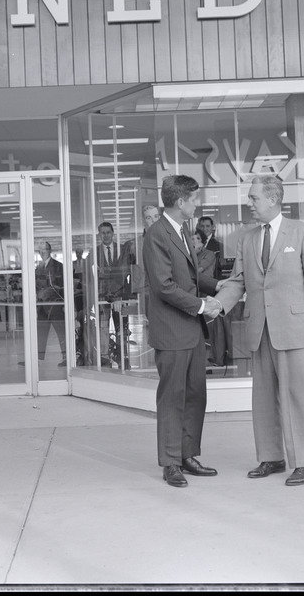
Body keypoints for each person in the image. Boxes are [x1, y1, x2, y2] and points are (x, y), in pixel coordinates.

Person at [216, 174, 304, 487]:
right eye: (250, 198)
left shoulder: (303, 233)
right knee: (263, 398)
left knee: (297, 397)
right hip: (259, 327)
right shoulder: (247, 238)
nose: (249, 203)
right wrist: (217, 305)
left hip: (294, 327)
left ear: (273, 199)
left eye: (254, 198)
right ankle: (271, 457)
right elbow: (238, 281)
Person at [143, 174, 223, 488]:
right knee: (173, 397)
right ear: (180, 202)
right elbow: (164, 286)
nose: (196, 204)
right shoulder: (156, 235)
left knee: (195, 396)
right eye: (193, 199)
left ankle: (188, 455)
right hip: (172, 331)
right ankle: (170, 462)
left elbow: (190, 277)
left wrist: (221, 286)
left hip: (189, 331)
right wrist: (203, 306)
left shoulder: (182, 229)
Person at [96, 221, 135, 369]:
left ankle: (123, 357)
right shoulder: (95, 252)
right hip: (102, 296)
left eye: (108, 232)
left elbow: (128, 273)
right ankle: (104, 358)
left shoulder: (122, 250)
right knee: (103, 327)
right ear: (99, 235)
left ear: (113, 233)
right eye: (102, 233)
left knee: (122, 328)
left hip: (120, 295)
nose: (105, 235)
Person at [193, 228, 231, 369]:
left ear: (202, 242)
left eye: (197, 239)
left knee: (210, 329)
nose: (194, 242)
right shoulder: (188, 255)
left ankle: (214, 357)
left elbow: (196, 271)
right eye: (191, 239)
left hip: (205, 293)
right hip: (191, 294)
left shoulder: (208, 254)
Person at [35, 240, 68, 366]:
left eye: (45, 250)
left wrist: (66, 304)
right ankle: (38, 358)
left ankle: (66, 357)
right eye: (40, 250)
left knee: (61, 332)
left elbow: (63, 286)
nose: (43, 252)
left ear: (50, 251)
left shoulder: (58, 266)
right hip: (42, 306)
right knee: (41, 332)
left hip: (56, 305)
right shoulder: (38, 267)